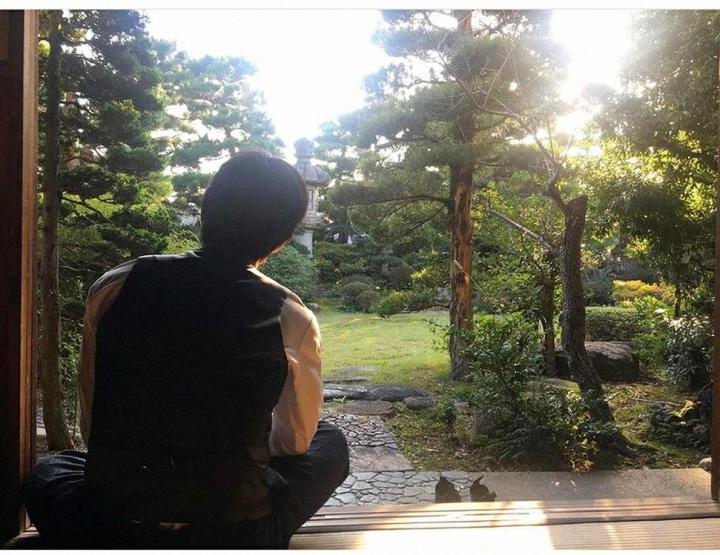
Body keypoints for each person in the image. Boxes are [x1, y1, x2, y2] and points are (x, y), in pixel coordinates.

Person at [22, 151, 349, 548]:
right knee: (328, 441)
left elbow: (94, 428)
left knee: (53, 469)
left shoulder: (116, 285)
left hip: (114, 516)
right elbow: (294, 442)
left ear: (205, 210)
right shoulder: (289, 315)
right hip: (234, 530)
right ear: (281, 240)